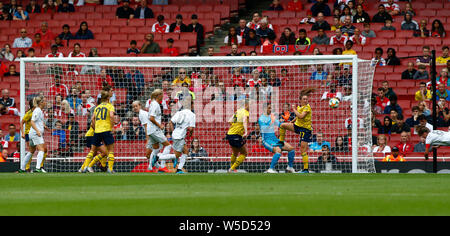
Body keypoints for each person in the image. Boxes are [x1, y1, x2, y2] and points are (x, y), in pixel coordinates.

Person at [278, 88, 315, 173]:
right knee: (283, 125)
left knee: (303, 150)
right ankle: (281, 142)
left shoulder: (307, 108)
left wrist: (294, 109)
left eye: (306, 99)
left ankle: (306, 169)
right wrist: (291, 122)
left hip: (305, 130)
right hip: (297, 126)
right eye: (304, 99)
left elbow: (301, 116)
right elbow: (298, 117)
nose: (306, 100)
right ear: (300, 100)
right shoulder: (300, 107)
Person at [258, 104, 296, 173]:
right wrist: (271, 121)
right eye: (269, 108)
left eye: (270, 108)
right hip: (266, 140)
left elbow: (279, 124)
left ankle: (290, 167)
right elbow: (263, 129)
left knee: (291, 149)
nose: (270, 110)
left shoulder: (271, 117)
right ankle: (270, 169)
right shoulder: (261, 118)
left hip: (274, 139)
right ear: (264, 109)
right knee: (278, 150)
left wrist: (285, 122)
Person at [164, 99, 196, 174]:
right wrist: (190, 135)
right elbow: (191, 128)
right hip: (180, 136)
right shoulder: (192, 115)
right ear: (191, 105)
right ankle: (159, 157)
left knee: (185, 151)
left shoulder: (179, 112)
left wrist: (173, 131)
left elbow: (171, 122)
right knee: (177, 154)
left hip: (176, 134)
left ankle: (179, 169)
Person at [147, 89, 174, 173]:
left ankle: (150, 167)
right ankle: (162, 166)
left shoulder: (153, 104)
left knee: (156, 149)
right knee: (168, 145)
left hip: (150, 130)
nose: (163, 97)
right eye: (162, 95)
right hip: (155, 129)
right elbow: (151, 118)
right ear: (158, 96)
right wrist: (160, 126)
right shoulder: (155, 105)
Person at [226, 99, 250, 173]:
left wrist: (234, 127)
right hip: (236, 135)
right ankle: (232, 168)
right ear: (246, 105)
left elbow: (229, 121)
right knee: (244, 153)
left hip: (229, 134)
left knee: (235, 152)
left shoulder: (237, 111)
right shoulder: (245, 112)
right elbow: (244, 121)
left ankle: (231, 168)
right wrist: (245, 131)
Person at [28, 96, 48, 172]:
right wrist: (37, 131)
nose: (45, 103)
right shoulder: (37, 110)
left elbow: (37, 121)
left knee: (31, 151)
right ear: (41, 103)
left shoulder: (39, 110)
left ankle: (23, 168)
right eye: (44, 101)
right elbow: (32, 121)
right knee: (42, 149)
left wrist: (43, 125)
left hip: (34, 133)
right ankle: (38, 168)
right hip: (36, 134)